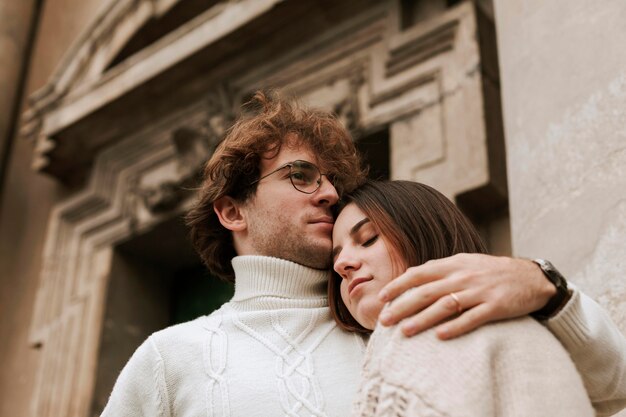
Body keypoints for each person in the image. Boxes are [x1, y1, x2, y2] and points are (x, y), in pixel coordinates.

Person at [101, 92, 626, 417]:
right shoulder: (169, 358)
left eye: (330, 179)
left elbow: (610, 391)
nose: (328, 191)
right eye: (301, 175)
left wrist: (548, 289)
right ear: (233, 212)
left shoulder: (398, 319)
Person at [331, 180, 595, 416]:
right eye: (335, 258)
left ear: (424, 232)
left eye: (368, 239)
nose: (341, 264)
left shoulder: (440, 335)